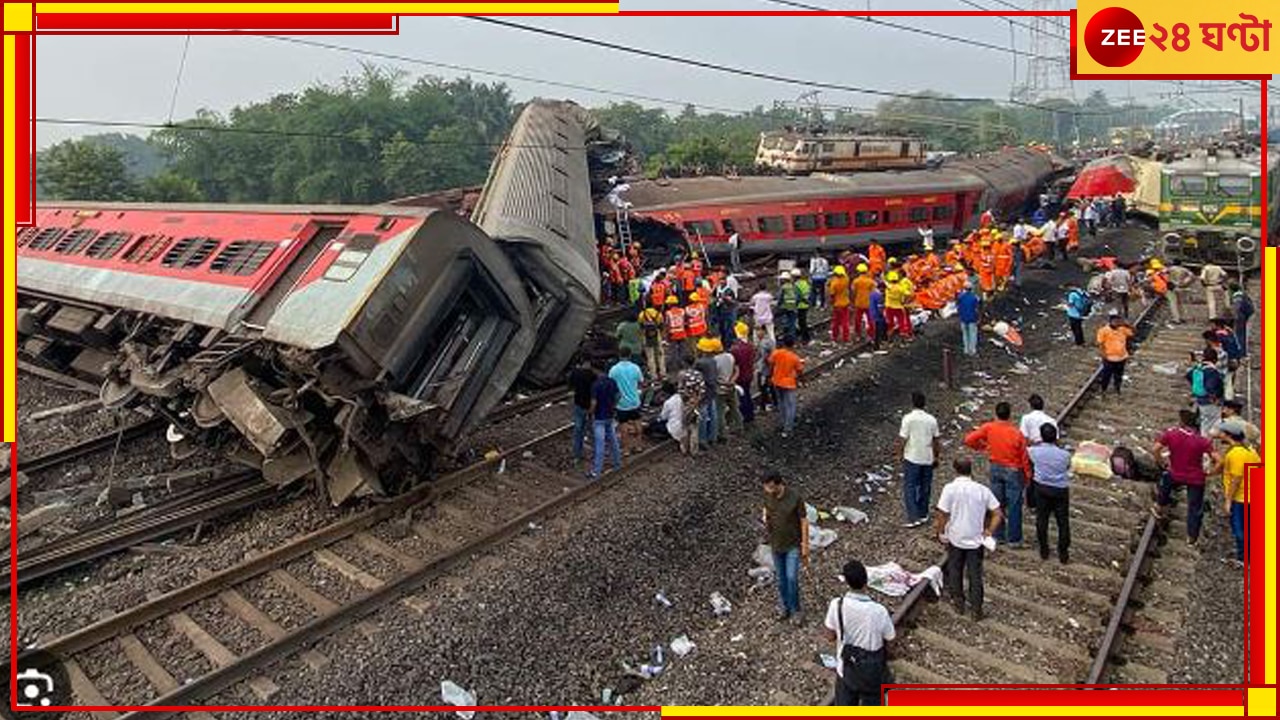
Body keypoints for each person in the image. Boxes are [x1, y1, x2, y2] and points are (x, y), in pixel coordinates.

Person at [934, 457, 1003, 621]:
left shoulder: (950, 489)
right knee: (975, 575)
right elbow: (998, 513)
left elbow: (942, 514)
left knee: (955, 570)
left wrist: (940, 531)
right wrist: (989, 531)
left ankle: (958, 602)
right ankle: (977, 609)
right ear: (971, 469)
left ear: (955, 469)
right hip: (975, 540)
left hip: (956, 538)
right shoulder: (982, 490)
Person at [825, 559, 895, 706]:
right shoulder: (879, 611)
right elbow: (890, 640)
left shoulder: (836, 605)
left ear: (847, 582)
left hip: (847, 669)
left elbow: (830, 636)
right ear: (866, 582)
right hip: (873, 671)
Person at [963, 402, 1032, 547]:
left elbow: (969, 440)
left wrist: (982, 447)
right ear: (1010, 414)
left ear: (996, 413)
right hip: (1013, 470)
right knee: (1014, 505)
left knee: (996, 503)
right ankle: (1014, 539)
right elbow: (1024, 458)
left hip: (995, 467)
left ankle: (998, 535)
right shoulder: (1016, 433)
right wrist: (1027, 476)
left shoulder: (989, 427)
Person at [1154, 409, 1220, 546]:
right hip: (1196, 478)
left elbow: (1155, 449)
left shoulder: (1171, 434)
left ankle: (1160, 507)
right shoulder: (1202, 441)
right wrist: (1212, 472)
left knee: (1165, 481)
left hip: (1175, 473)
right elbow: (1219, 460)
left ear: (1182, 422)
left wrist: (1161, 462)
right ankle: (1191, 537)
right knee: (1194, 508)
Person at [762, 469, 808, 623]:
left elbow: (804, 521)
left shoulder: (794, 497)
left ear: (778, 484)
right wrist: (765, 518)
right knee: (781, 579)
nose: (767, 490)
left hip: (793, 545)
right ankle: (784, 606)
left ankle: (796, 610)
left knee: (791, 578)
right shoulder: (768, 496)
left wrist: (805, 544)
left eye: (769, 486)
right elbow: (767, 512)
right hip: (776, 544)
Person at [1212, 422, 1258, 565]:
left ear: (1228, 435)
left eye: (1222, 432)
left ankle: (1243, 559)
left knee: (1239, 529)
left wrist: (1228, 500)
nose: (1219, 434)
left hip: (1242, 498)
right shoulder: (1249, 450)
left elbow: (1236, 479)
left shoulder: (1236, 454)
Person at [1028, 423, 1072, 564]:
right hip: (1060, 490)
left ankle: (1044, 550)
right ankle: (1063, 553)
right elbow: (1067, 467)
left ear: (1042, 436)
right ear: (1056, 437)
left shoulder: (1034, 451)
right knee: (1063, 522)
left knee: (1042, 519)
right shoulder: (1065, 455)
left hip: (1042, 489)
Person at [896, 392, 941, 528]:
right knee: (925, 486)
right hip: (927, 457)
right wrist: (936, 456)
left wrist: (899, 454)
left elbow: (903, 439)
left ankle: (913, 516)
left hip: (912, 457)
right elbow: (936, 440)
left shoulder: (908, 419)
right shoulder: (931, 419)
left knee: (910, 487)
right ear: (924, 403)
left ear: (912, 403)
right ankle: (923, 513)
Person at [588, 368, 622, 480]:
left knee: (600, 444)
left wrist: (591, 413)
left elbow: (594, 402)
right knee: (613, 441)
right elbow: (618, 395)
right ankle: (617, 463)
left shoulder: (595, 385)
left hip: (599, 418)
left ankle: (596, 471)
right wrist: (613, 406)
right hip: (609, 415)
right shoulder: (612, 381)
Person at [609, 348, 645, 454]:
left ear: (619, 356)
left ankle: (626, 449)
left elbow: (611, 385)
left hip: (621, 404)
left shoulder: (614, 369)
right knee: (638, 423)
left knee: (623, 427)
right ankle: (638, 446)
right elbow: (641, 382)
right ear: (630, 356)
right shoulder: (635, 368)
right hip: (635, 402)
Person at [769, 335, 804, 437]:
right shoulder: (795, 358)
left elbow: (771, 364)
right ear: (793, 345)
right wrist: (801, 380)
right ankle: (788, 429)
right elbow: (800, 371)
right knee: (791, 406)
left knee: (781, 403)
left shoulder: (776, 353)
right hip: (789, 384)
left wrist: (770, 377)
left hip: (776, 381)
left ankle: (783, 422)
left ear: (783, 343)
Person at [1188, 348, 1224, 437]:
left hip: (1200, 399)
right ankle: (1206, 445)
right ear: (1215, 359)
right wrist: (1214, 398)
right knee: (1213, 423)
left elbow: (1189, 375)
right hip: (1210, 401)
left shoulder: (1199, 367)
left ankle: (1203, 441)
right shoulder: (1211, 371)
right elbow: (1210, 387)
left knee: (1205, 421)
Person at [1095, 311, 1134, 394]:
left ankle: (1117, 388)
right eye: (1115, 321)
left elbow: (1132, 333)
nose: (1117, 323)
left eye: (1118, 321)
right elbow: (1100, 344)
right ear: (1110, 321)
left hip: (1121, 357)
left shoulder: (1123, 329)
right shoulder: (1103, 331)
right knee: (1106, 375)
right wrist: (1103, 355)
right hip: (1109, 358)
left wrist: (1128, 325)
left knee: (1118, 375)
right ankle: (1103, 389)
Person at [693, 338, 721, 448]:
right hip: (712, 391)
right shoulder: (713, 360)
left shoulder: (700, 362)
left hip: (703, 392)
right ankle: (713, 437)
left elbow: (694, 375)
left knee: (702, 416)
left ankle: (702, 440)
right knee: (713, 414)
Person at [569, 358, 597, 465]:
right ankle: (596, 454)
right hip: (591, 406)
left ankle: (577, 455)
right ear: (588, 363)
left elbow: (571, 387)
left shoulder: (575, 373)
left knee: (578, 430)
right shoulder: (593, 375)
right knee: (593, 430)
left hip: (579, 405)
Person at [730, 322, 757, 425]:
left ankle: (745, 416)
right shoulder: (750, 346)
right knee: (748, 394)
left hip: (740, 376)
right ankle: (750, 414)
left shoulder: (735, 349)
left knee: (742, 397)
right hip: (749, 374)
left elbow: (734, 364)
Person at [714, 339, 741, 435]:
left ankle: (722, 433)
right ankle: (739, 427)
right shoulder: (730, 356)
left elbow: (714, 376)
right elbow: (737, 370)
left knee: (720, 412)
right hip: (731, 387)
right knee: (735, 408)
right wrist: (732, 381)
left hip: (720, 389)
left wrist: (722, 383)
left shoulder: (715, 360)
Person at [652, 381, 689, 452]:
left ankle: (662, 435)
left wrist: (656, 419)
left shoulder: (668, 402)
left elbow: (663, 417)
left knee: (653, 425)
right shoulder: (681, 398)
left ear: (666, 393)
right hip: (683, 426)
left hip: (672, 428)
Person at [638, 305, 666, 382]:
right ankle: (662, 372)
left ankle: (653, 375)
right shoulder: (658, 314)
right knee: (660, 354)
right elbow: (661, 325)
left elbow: (641, 326)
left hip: (646, 336)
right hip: (657, 335)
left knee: (650, 357)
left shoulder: (642, 314)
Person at [755, 323, 777, 413]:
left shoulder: (765, 343)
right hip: (766, 368)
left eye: (759, 330)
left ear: (763, 331)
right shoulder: (768, 341)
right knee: (770, 387)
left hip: (765, 369)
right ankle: (774, 403)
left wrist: (766, 371)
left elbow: (766, 358)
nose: (757, 333)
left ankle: (765, 406)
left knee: (763, 387)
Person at [827, 265, 853, 343]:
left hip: (837, 305)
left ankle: (835, 337)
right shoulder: (846, 279)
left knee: (836, 322)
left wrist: (831, 303)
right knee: (845, 322)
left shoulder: (834, 283)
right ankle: (846, 338)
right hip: (846, 303)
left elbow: (832, 295)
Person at [851, 264, 876, 342]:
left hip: (859, 303)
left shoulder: (856, 281)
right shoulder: (871, 281)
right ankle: (871, 335)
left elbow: (853, 292)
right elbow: (874, 293)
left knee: (857, 320)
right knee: (870, 320)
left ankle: (858, 335)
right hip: (869, 303)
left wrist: (853, 301)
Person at [956, 284, 980, 356]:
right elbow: (976, 309)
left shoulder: (960, 297)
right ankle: (972, 350)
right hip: (972, 318)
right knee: (972, 334)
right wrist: (978, 318)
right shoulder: (974, 298)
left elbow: (958, 307)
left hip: (963, 318)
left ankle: (966, 350)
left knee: (965, 335)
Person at [1229, 283, 1253, 354]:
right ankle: (1242, 351)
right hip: (1243, 316)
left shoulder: (1237, 296)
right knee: (1242, 334)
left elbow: (1237, 308)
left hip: (1239, 316)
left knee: (1239, 335)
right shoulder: (1243, 295)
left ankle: (1240, 352)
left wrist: (1232, 316)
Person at [777, 272, 800, 342]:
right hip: (793, 307)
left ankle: (785, 337)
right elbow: (798, 296)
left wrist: (778, 305)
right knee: (792, 322)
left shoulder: (783, 287)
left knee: (785, 321)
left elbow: (780, 297)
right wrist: (796, 304)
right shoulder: (794, 286)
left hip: (785, 307)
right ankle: (792, 338)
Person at [868, 280, 888, 351]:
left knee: (875, 330)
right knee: (878, 331)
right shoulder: (879, 296)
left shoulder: (872, 293)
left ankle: (876, 344)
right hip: (877, 316)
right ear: (881, 288)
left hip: (871, 313)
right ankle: (877, 346)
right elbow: (880, 308)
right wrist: (882, 315)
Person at [794, 269, 813, 345]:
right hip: (806, 304)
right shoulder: (805, 283)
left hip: (800, 305)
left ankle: (805, 337)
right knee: (802, 321)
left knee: (802, 322)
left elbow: (798, 297)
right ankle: (803, 335)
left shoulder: (796, 285)